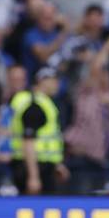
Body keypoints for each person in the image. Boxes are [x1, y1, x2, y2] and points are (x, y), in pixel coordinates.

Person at [9, 67, 68, 195]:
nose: (57, 84)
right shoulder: (34, 105)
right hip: (33, 166)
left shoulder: (44, 102)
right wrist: (33, 176)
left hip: (43, 165)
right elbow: (28, 141)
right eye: (54, 80)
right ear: (42, 81)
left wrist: (56, 164)